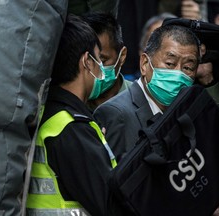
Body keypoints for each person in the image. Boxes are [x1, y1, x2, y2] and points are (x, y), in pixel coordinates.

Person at [26, 14, 118, 216]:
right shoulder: (70, 128)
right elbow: (111, 204)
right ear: (86, 61)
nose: (101, 68)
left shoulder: (45, 113)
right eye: (99, 58)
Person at [93, 24, 201, 162]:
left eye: (187, 67)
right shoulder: (116, 114)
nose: (178, 73)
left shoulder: (189, 114)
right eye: (170, 63)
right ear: (144, 64)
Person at [81, 12, 132, 111]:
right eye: (87, 61)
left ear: (122, 56)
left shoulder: (139, 98)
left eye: (102, 60)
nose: (92, 69)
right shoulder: (71, 102)